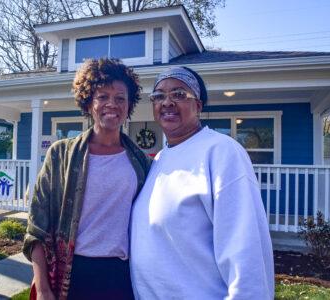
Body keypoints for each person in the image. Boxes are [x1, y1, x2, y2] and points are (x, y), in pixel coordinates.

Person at [130, 66, 274, 299]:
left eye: (179, 94)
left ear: (198, 105)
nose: (167, 102)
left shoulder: (221, 152)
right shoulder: (159, 160)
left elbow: (246, 249)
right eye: (159, 96)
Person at [23, 58, 151, 300]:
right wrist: (42, 289)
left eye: (120, 98)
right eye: (102, 96)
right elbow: (36, 227)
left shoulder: (142, 163)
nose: (111, 104)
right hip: (72, 275)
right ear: (89, 102)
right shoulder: (61, 155)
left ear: (129, 104)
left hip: (122, 275)